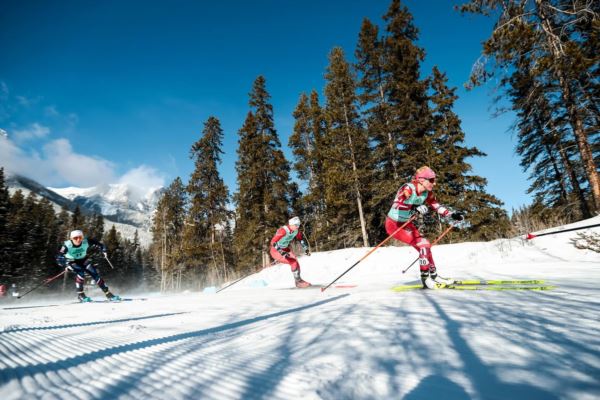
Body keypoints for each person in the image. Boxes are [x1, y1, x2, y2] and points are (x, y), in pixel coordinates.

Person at [386, 166, 464, 289]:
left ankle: (433, 275)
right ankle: (426, 280)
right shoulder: (408, 189)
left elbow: (436, 205)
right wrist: (413, 208)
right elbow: (397, 205)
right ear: (422, 180)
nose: (434, 183)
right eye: (431, 180)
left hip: (407, 224)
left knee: (426, 247)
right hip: (394, 225)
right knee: (423, 245)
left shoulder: (427, 193)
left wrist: (451, 214)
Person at [56, 230, 121, 302]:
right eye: (75, 238)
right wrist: (66, 265)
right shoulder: (67, 246)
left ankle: (108, 294)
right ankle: (81, 295)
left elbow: (100, 244)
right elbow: (59, 257)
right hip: (72, 261)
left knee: (95, 274)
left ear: (82, 237)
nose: (78, 240)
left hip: (83, 260)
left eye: (80, 238)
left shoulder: (86, 241)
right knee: (81, 272)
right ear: (71, 238)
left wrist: (104, 250)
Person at [270, 216, 312, 288]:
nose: (298, 227)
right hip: (276, 251)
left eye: (298, 225)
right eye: (296, 225)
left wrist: (306, 249)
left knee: (295, 261)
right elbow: (273, 242)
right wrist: (280, 251)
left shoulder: (296, 231)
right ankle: (298, 282)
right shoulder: (283, 230)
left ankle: (299, 281)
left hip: (285, 249)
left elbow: (300, 239)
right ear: (291, 224)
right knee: (293, 262)